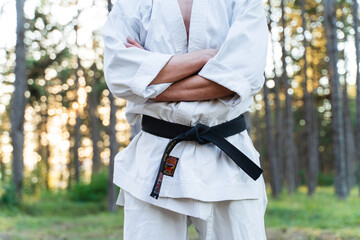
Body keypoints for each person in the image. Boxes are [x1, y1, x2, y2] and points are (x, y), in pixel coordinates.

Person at [102, 0, 269, 239]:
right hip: (153, 162)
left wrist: (149, 83)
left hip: (228, 159)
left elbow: (243, 75)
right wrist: (205, 58)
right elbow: (120, 74)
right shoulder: (132, 4)